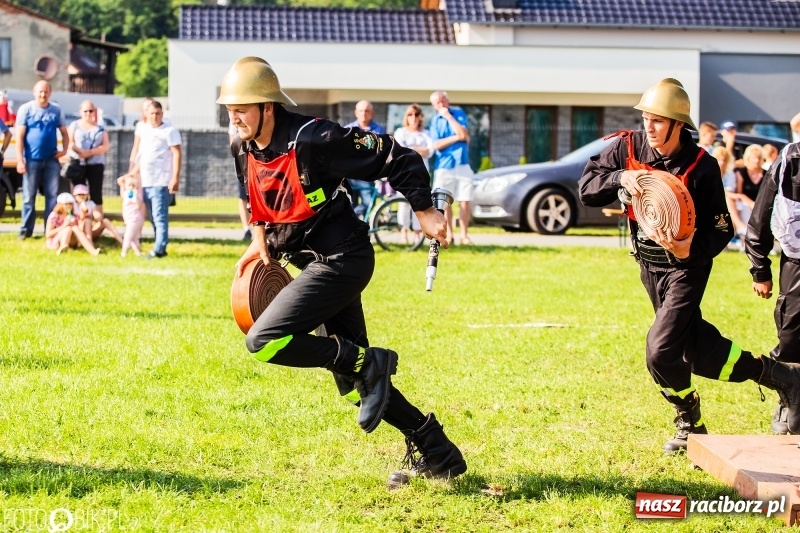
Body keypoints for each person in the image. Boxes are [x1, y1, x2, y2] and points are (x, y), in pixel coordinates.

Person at [218, 56, 466, 485]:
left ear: (269, 107)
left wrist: (424, 210)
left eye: (242, 107)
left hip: (343, 259)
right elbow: (254, 194)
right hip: (311, 263)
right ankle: (436, 450)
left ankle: (368, 361)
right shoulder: (242, 144)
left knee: (264, 341)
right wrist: (259, 241)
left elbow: (396, 155)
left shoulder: (316, 138)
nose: (234, 116)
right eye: (229, 108)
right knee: (356, 385)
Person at [578, 78, 800, 453]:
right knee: (694, 348)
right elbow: (587, 188)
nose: (649, 126)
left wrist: (688, 250)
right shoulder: (627, 147)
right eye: (646, 117)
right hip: (648, 267)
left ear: (680, 125)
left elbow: (721, 228)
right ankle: (779, 376)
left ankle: (688, 418)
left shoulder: (702, 166)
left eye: (659, 120)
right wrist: (621, 177)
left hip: (687, 268)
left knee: (660, 350)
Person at [745, 141, 800, 435]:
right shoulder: (790, 159)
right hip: (797, 263)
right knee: (791, 333)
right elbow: (761, 216)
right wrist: (760, 269)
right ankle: (787, 397)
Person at [15, 80, 68, 240]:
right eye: (40, 91)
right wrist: (20, 159)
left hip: (51, 160)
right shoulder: (26, 109)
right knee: (29, 197)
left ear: (50, 93)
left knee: (52, 197)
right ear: (34, 92)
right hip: (31, 160)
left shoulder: (56, 110)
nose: (43, 94)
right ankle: (26, 230)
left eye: (46, 91)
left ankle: (50, 229)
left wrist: (64, 150)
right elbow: (19, 136)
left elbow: (65, 133)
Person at [129, 100, 181, 259]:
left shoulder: (169, 131)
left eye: (157, 113)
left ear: (162, 114)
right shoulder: (145, 130)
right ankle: (161, 247)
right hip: (146, 180)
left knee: (160, 216)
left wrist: (175, 177)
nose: (155, 116)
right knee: (152, 216)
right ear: (146, 114)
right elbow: (140, 155)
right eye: (151, 113)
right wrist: (132, 174)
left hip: (161, 180)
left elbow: (176, 154)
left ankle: (158, 249)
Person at [429, 90, 473, 245]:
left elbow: (464, 133)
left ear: (447, 101)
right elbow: (436, 145)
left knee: (465, 200)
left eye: (443, 101)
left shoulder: (458, 113)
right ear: (434, 105)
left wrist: (448, 117)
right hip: (444, 166)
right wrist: (457, 137)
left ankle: (464, 235)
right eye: (438, 103)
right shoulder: (434, 121)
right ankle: (449, 235)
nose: (441, 105)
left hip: (462, 163)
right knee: (444, 202)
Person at [393, 103, 433, 245]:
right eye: (410, 114)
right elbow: (400, 149)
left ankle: (417, 233)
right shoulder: (401, 132)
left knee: (420, 203)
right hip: (404, 173)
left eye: (416, 114)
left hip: (421, 174)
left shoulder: (426, 133)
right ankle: (403, 232)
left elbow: (430, 150)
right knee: (404, 205)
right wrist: (418, 150)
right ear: (406, 117)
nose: (414, 117)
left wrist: (412, 149)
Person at [344, 100, 386, 217]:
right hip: (350, 174)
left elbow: (381, 152)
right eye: (361, 111)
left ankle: (355, 219)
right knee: (349, 203)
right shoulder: (347, 129)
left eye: (367, 111)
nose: (364, 113)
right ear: (356, 112)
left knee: (369, 203)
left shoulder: (379, 130)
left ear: (372, 113)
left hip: (368, 174)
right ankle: (353, 227)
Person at [728, 144, 764, 237]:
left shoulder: (766, 174)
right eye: (754, 157)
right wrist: (751, 204)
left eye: (758, 157)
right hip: (746, 203)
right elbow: (740, 194)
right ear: (748, 158)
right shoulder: (742, 172)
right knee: (744, 207)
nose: (756, 160)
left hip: (761, 205)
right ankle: (744, 232)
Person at [230, 122, 252, 240]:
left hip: (257, 164)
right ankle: (246, 229)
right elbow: (233, 143)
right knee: (243, 198)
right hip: (243, 166)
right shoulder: (233, 121)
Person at [117, 173, 145, 257]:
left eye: (133, 185)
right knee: (134, 237)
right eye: (129, 185)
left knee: (128, 236)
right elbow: (122, 195)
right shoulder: (127, 193)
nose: (131, 187)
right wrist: (122, 184)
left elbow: (139, 205)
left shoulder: (136, 194)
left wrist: (136, 196)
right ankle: (138, 252)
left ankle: (124, 252)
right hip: (129, 219)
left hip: (135, 219)